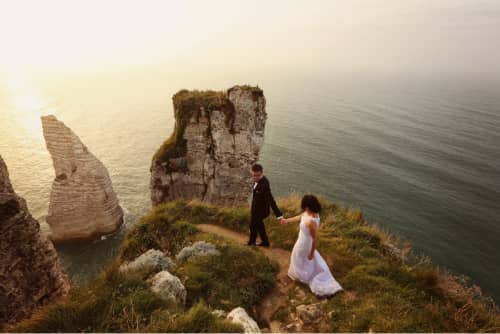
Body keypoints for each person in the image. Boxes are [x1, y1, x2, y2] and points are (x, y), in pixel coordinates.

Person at [281, 194, 343, 297]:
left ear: (307, 207)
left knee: (299, 259)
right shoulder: (309, 213)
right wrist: (286, 220)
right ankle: (297, 275)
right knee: (299, 259)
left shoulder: (310, 222)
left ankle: (301, 277)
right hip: (302, 241)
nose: (303, 207)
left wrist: (311, 252)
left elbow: (314, 239)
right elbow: (299, 217)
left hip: (304, 244)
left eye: (304, 205)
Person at [248, 163, 285, 247]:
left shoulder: (264, 185)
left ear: (262, 173)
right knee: (259, 225)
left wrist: (279, 215)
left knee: (253, 226)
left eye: (258, 175)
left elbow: (271, 200)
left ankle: (251, 243)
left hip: (261, 211)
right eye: (254, 175)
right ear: (251, 173)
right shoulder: (257, 181)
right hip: (256, 209)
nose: (256, 178)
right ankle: (265, 242)